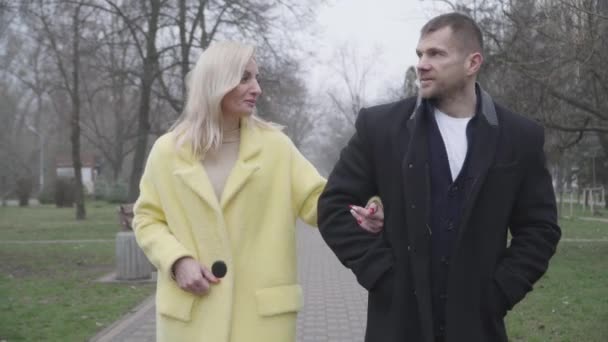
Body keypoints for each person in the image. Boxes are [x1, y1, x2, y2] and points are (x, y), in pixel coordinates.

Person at [317, 12, 561, 342]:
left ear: (472, 62)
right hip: (397, 326)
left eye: (436, 54)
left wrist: (501, 291)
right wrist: (380, 274)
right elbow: (333, 206)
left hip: (477, 326)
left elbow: (539, 228)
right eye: (420, 54)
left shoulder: (519, 137)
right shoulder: (380, 128)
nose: (422, 64)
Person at [132, 41, 384, 342]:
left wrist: (364, 209)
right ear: (216, 81)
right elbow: (147, 218)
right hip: (191, 318)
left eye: (257, 78)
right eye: (244, 78)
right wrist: (176, 261)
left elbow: (320, 201)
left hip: (261, 322)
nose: (257, 89)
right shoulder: (167, 152)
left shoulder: (275, 147)